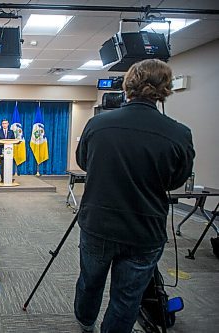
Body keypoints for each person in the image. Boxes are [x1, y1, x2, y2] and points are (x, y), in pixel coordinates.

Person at [74, 59, 195, 333]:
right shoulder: (179, 133)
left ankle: (85, 323)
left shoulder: (97, 124)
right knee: (127, 298)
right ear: (165, 89)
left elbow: (84, 162)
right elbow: (176, 181)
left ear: (128, 85)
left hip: (98, 224)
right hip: (145, 231)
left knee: (90, 282)